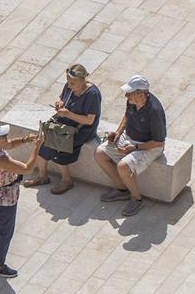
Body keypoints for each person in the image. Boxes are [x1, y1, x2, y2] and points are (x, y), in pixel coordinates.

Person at [22, 64, 103, 193]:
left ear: (83, 80)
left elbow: (89, 120)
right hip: (65, 122)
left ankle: (67, 180)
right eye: (68, 82)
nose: (70, 85)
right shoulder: (70, 86)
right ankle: (43, 176)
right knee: (41, 142)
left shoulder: (92, 94)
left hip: (81, 129)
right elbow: (61, 97)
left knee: (59, 147)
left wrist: (68, 114)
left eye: (73, 83)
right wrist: (59, 102)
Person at [0, 122, 42, 278]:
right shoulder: (0, 160)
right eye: (4, 136)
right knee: (5, 232)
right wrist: (37, 147)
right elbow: (27, 168)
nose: (7, 138)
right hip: (5, 197)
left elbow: (9, 144)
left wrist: (26, 139)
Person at [96, 75, 165, 215]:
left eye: (130, 93)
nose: (126, 95)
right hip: (130, 138)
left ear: (141, 93)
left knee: (123, 166)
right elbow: (127, 116)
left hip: (149, 146)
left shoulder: (154, 111)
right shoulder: (132, 101)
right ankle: (122, 190)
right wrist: (117, 133)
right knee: (100, 154)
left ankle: (137, 199)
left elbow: (159, 142)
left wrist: (135, 148)